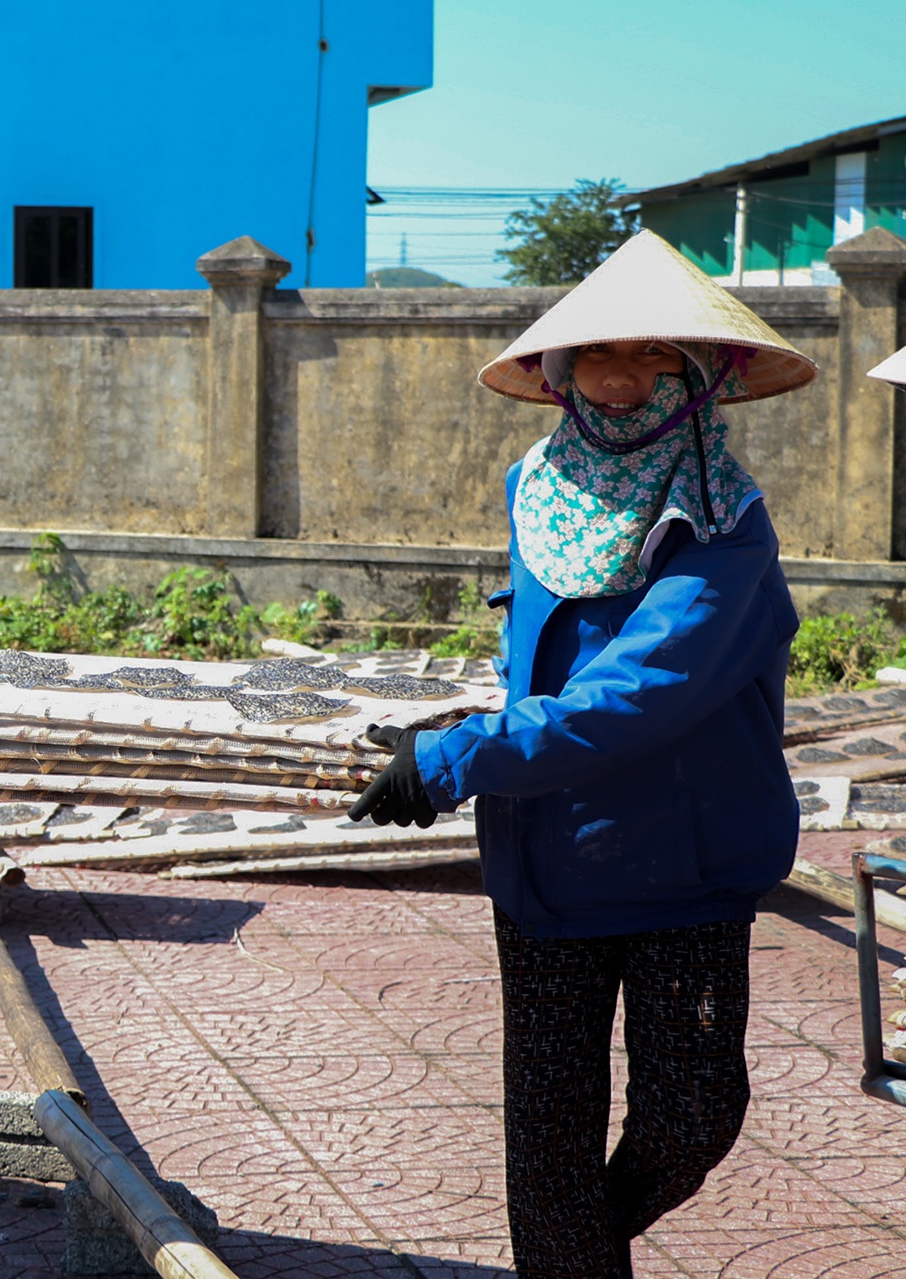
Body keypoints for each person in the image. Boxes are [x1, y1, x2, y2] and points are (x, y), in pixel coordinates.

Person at [350, 230, 817, 1278]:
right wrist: (452, 730)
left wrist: (454, 756)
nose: (618, 379)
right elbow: (540, 668)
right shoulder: (535, 494)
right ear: (557, 374)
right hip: (546, 859)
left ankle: (568, 1249)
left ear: (701, 377)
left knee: (691, 1115)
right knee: (549, 1134)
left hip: (689, 872)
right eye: (595, 355)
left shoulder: (726, 528)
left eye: (653, 356)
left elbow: (638, 690)